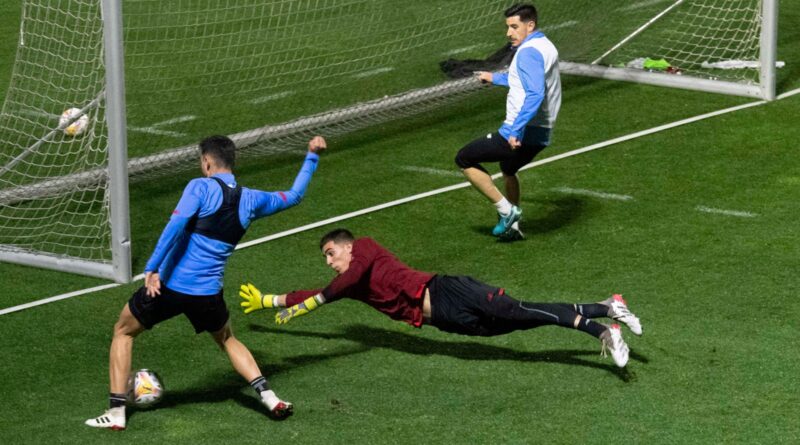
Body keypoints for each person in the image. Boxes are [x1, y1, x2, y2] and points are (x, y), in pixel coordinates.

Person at [86, 135, 327, 430]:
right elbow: (295, 195)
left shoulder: (199, 187)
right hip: (208, 294)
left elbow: (175, 225)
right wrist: (312, 155)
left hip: (171, 288)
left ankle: (116, 413)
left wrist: (153, 267)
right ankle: (269, 396)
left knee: (123, 332)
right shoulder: (252, 199)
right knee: (227, 339)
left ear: (207, 162)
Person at [239, 229, 641, 369]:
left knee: (518, 309)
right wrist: (272, 300)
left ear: (346, 247)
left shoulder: (365, 249)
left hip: (446, 289)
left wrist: (309, 306)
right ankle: (606, 305)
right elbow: (318, 291)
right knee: (518, 322)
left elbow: (333, 289)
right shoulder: (349, 283)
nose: (329, 262)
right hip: (444, 318)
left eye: (330, 253)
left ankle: (601, 330)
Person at [455, 3, 561, 241]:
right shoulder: (545, 46)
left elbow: (535, 93)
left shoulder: (527, 53)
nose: (509, 33)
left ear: (530, 25)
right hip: (542, 133)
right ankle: (513, 229)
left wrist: (516, 129)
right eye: (508, 27)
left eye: (514, 27)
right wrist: (495, 78)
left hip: (519, 130)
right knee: (508, 168)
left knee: (464, 158)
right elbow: (524, 80)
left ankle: (507, 211)